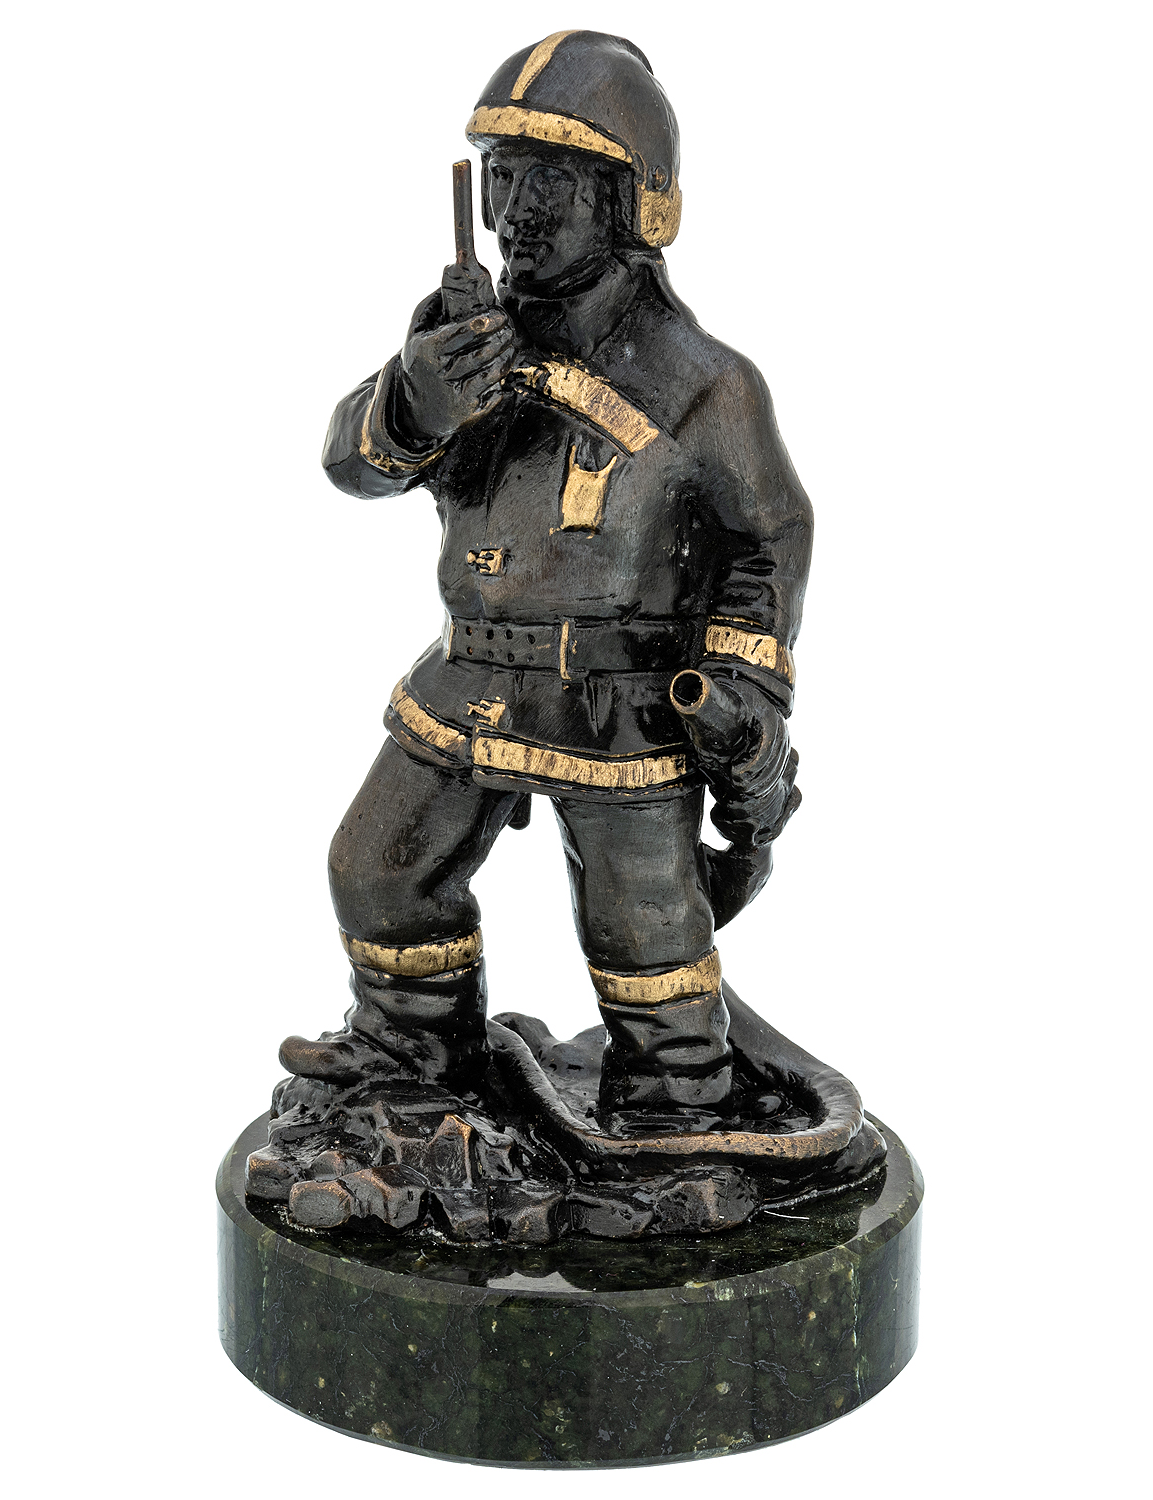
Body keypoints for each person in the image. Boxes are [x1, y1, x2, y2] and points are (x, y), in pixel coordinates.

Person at [283, 31, 810, 1127]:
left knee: (645, 937)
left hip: (622, 703)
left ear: (630, 202)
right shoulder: (462, 347)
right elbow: (349, 461)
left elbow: (767, 541)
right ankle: (415, 1066)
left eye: (552, 184)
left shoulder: (706, 386)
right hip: (470, 677)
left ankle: (680, 1116)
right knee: (377, 871)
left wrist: (738, 687)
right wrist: (416, 403)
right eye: (505, 180)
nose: (516, 213)